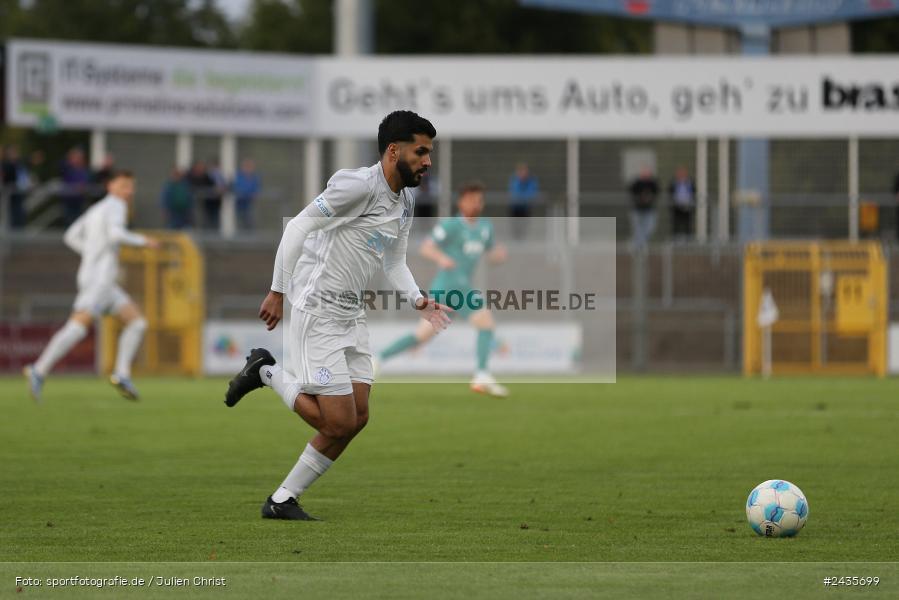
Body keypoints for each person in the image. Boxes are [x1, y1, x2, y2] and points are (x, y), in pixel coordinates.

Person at [222, 110, 451, 521]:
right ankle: (266, 372)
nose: (428, 161)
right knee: (338, 422)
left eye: (429, 152)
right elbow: (298, 227)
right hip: (318, 311)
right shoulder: (358, 186)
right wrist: (277, 291)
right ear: (393, 151)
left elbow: (394, 261)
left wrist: (418, 300)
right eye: (420, 152)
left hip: (352, 315)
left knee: (358, 418)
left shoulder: (406, 201)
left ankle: (282, 500)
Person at [24, 171, 160, 402]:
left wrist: (90, 253)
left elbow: (70, 236)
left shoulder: (96, 209)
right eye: (124, 186)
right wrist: (143, 241)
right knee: (77, 327)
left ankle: (122, 374)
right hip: (100, 281)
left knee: (137, 323)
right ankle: (39, 370)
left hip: (99, 279)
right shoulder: (116, 206)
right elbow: (115, 235)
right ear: (111, 186)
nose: (129, 191)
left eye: (131, 186)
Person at [378, 181, 509, 397]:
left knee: (421, 336)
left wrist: (498, 256)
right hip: (448, 286)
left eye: (479, 200)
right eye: (471, 199)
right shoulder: (451, 226)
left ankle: (378, 359)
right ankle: (482, 374)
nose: (475, 203)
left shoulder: (485, 227)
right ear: (462, 202)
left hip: (459, 287)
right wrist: (442, 258)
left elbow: (491, 254)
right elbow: (426, 248)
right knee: (485, 322)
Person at [629, 166, 659, 248]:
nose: (645, 174)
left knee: (650, 228)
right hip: (637, 210)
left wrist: (649, 197)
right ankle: (638, 246)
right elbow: (631, 191)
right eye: (644, 173)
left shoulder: (652, 183)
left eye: (647, 173)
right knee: (638, 229)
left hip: (649, 210)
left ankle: (639, 244)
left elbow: (656, 191)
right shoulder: (636, 183)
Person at [59, 147, 91, 226]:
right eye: (75, 157)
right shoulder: (67, 169)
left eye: (78, 157)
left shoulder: (84, 170)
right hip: (69, 202)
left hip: (80, 202)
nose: (77, 159)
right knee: (70, 223)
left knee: (79, 223)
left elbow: (87, 182)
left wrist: (82, 186)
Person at [508, 163, 539, 239]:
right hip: (515, 209)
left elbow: (532, 194)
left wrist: (523, 198)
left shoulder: (532, 181)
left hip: (526, 209)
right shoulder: (514, 180)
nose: (523, 174)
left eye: (524, 172)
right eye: (521, 172)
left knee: (524, 228)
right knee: (516, 229)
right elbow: (514, 194)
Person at [186, 160, 216, 230]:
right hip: (193, 205)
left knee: (206, 221)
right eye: (199, 167)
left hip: (206, 205)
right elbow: (189, 188)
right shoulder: (189, 177)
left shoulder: (206, 177)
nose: (200, 169)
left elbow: (212, 187)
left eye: (202, 167)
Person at [233, 158, 262, 231]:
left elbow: (257, 189)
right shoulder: (238, 176)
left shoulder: (254, 177)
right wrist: (246, 193)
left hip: (250, 204)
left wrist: (254, 194)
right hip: (240, 204)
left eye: (250, 167)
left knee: (250, 221)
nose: (249, 169)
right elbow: (238, 188)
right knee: (240, 221)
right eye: (247, 166)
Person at [668, 166, 695, 241]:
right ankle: (675, 240)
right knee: (676, 224)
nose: (681, 175)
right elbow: (670, 192)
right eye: (680, 173)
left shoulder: (690, 182)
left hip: (687, 206)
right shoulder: (673, 183)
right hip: (676, 206)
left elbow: (693, 192)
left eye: (683, 173)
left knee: (687, 224)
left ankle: (688, 241)